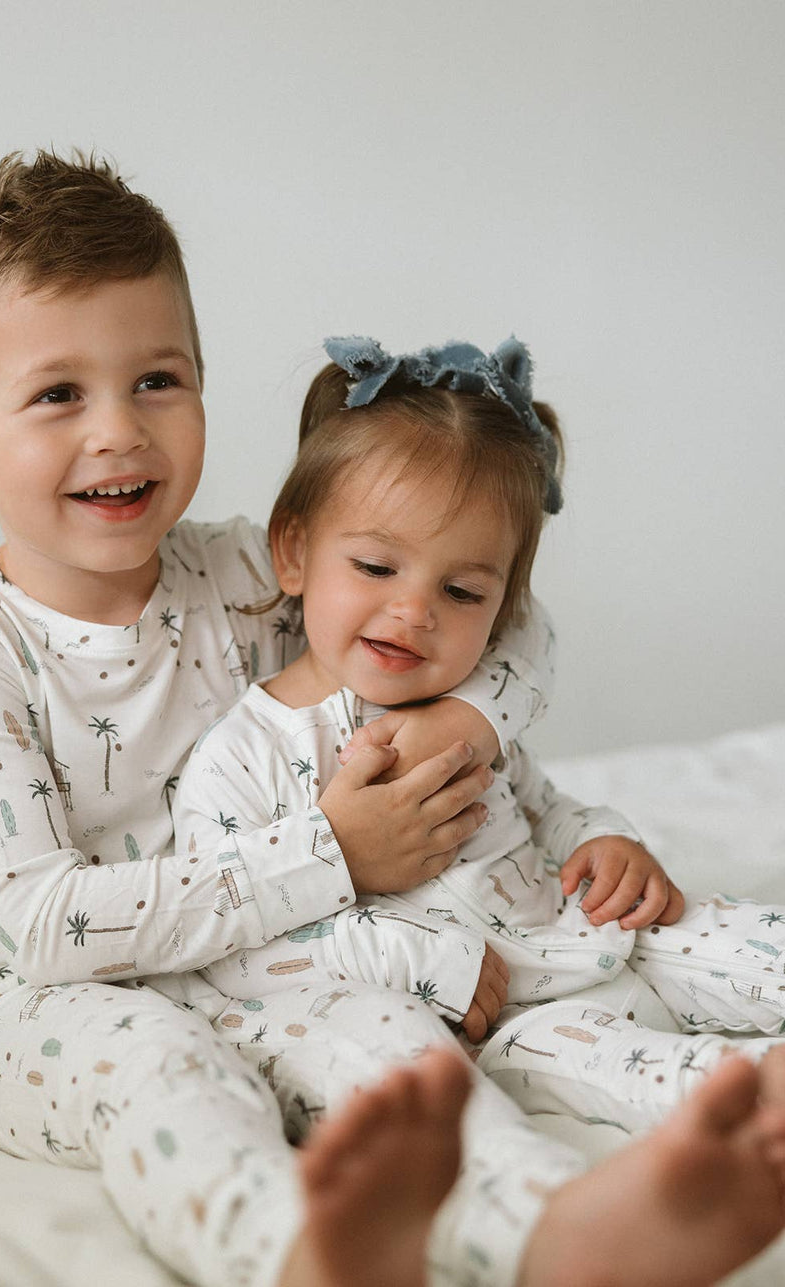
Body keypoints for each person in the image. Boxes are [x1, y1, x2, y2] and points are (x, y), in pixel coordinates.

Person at [0, 150, 785, 1287]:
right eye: (59, 393)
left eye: (158, 379)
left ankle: (551, 1226)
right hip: (51, 1002)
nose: (118, 429)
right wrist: (328, 854)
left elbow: (507, 618)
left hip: (289, 972)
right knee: (164, 1073)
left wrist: (466, 726)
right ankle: (299, 1251)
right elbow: (41, 921)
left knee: (395, 1056)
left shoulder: (244, 570)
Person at [172, 335, 785, 1139]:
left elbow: (541, 801)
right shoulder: (241, 758)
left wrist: (604, 839)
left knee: (741, 931)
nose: (416, 610)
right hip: (502, 1017)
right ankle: (755, 1091)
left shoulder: (465, 708)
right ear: (294, 550)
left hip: (596, 931)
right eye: (376, 568)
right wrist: (420, 963)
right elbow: (236, 951)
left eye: (461, 590)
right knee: (617, 1065)